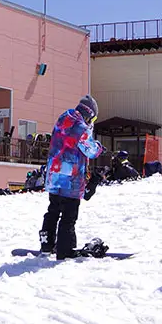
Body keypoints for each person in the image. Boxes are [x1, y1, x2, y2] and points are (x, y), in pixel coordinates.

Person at [40, 95, 105, 259]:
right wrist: (99, 147)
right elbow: (90, 150)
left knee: (52, 211)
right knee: (68, 217)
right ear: (89, 114)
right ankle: (64, 250)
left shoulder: (63, 119)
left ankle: (46, 245)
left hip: (54, 176)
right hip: (71, 179)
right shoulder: (81, 127)